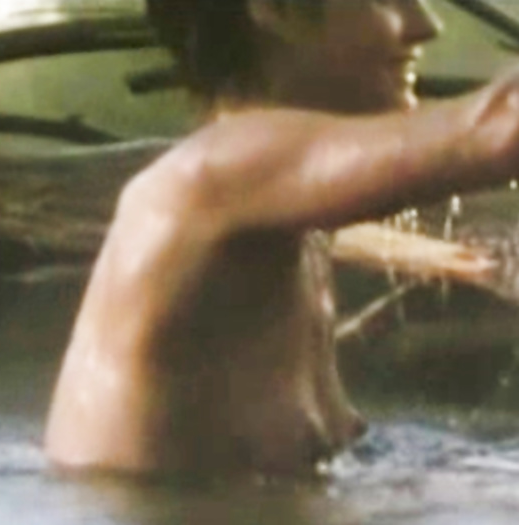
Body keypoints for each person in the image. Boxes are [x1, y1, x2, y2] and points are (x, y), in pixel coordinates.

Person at [45, 0, 519, 478]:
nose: (425, 26)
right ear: (275, 10)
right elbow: (502, 130)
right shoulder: (216, 173)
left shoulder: (269, 206)